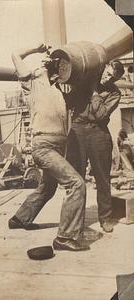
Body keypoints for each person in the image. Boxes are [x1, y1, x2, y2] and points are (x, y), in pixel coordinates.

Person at [8, 43, 89, 252]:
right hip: (44, 146)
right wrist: (36, 49)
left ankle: (20, 219)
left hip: (58, 147)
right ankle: (66, 238)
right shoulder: (32, 83)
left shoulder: (60, 90)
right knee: (76, 184)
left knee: (48, 187)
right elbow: (15, 53)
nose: (55, 68)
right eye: (52, 66)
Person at [67, 59, 124, 233]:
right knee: (76, 178)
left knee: (103, 179)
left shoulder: (115, 93)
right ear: (104, 67)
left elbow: (100, 115)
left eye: (112, 78)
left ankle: (105, 219)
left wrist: (93, 94)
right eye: (107, 74)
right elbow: (69, 99)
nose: (107, 79)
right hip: (77, 130)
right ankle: (74, 222)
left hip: (98, 133)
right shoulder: (86, 79)